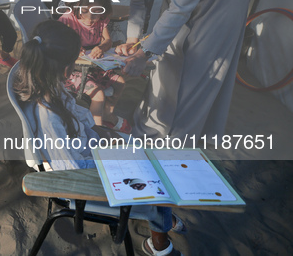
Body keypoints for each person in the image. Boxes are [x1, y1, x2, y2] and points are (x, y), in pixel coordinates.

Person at [13, 20, 184, 256]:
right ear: (66, 69)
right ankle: (160, 243)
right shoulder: (49, 117)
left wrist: (101, 137)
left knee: (150, 157)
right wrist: (111, 160)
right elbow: (71, 171)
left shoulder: (52, 90)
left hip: (91, 157)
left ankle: (160, 220)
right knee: (158, 186)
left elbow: (81, 126)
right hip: (82, 180)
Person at [113, 0, 250, 140]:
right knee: (166, 57)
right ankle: (151, 127)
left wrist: (144, 53)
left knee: (200, 67)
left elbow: (180, 8)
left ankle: (179, 139)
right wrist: (133, 40)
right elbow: (139, 1)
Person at [58, 0, 129, 133]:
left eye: (96, 12)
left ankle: (107, 114)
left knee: (121, 82)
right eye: (84, 11)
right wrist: (73, 48)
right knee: (99, 95)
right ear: (75, 6)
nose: (90, 18)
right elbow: (58, 44)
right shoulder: (68, 19)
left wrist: (102, 47)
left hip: (94, 67)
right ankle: (97, 131)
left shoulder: (101, 20)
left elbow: (108, 40)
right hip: (72, 72)